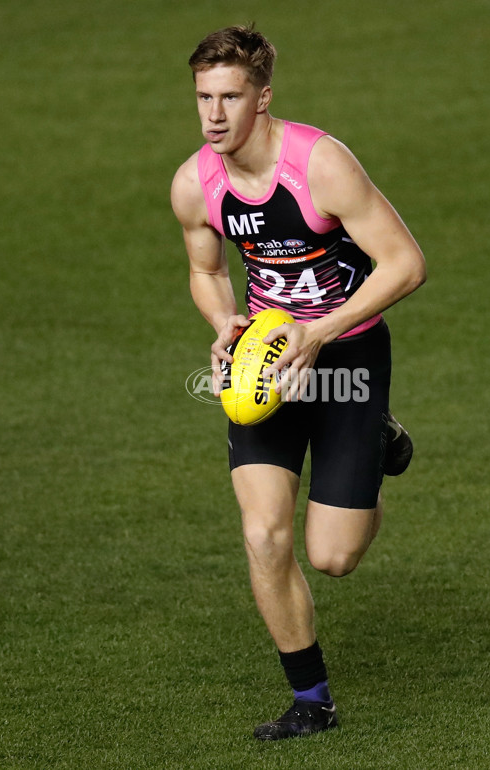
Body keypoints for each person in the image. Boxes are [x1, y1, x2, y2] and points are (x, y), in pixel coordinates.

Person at [171, 24, 426, 740]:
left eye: (230, 96)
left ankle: (376, 437)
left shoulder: (320, 165)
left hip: (343, 353)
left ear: (263, 98)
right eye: (203, 97)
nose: (214, 114)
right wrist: (225, 321)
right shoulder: (196, 184)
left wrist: (319, 330)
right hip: (266, 362)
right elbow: (207, 268)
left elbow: (405, 264)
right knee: (263, 535)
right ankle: (311, 701)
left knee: (334, 556)